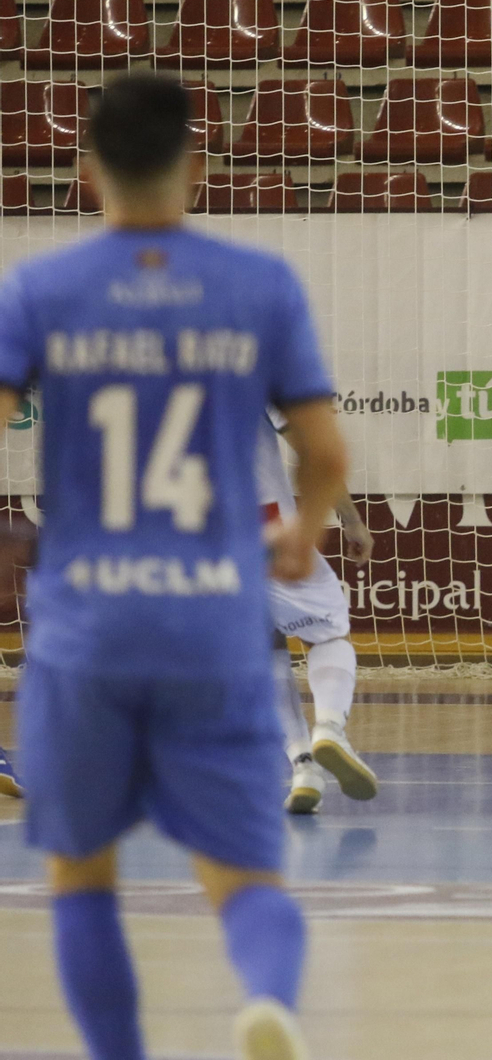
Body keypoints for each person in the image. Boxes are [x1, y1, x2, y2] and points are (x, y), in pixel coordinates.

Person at [0, 74, 347, 1060]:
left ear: (83, 173)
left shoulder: (37, 287)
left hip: (86, 627)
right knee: (247, 879)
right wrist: (303, 532)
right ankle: (266, 1001)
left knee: (82, 878)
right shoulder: (259, 285)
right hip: (212, 619)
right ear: (197, 166)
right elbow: (324, 456)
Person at [256, 408, 378, 814]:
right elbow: (312, 447)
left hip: (186, 536)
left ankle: (303, 765)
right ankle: (329, 728)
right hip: (263, 523)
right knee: (327, 634)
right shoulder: (248, 353)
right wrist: (351, 519)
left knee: (261, 644)